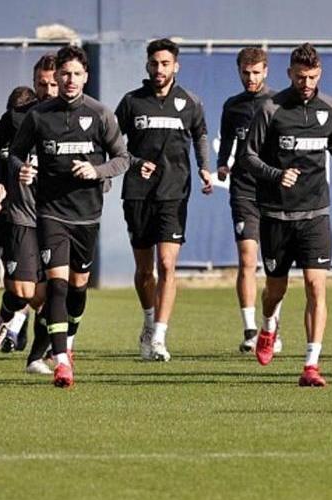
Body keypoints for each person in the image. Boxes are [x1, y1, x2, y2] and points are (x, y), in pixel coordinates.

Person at [8, 45, 131, 388]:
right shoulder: (39, 115)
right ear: (56, 77)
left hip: (87, 216)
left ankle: (68, 340)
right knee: (57, 286)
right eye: (64, 74)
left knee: (78, 289)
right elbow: (16, 154)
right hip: (51, 213)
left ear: (85, 77)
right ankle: (61, 362)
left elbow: (122, 158)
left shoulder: (100, 114)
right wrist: (22, 170)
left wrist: (97, 170)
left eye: (76, 74)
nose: (70, 80)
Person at [241, 43, 332, 387]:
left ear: (319, 73)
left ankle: (311, 364)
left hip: (316, 214)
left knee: (315, 287)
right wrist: (277, 175)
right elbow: (248, 157)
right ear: (289, 73)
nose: (307, 82)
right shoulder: (270, 109)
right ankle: (268, 325)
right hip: (277, 215)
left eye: (312, 76)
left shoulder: (331, 108)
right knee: (275, 291)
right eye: (300, 76)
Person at [116, 38, 212, 361]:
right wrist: (134, 163)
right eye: (155, 63)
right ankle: (147, 322)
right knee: (145, 272)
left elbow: (200, 134)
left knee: (167, 265)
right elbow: (113, 145)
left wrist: (205, 169)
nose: (160, 69)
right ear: (147, 65)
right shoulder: (132, 102)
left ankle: (158, 336)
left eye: (165, 63)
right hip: (138, 194)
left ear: (176, 66)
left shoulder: (190, 102)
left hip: (173, 193)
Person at [0, 54, 59, 374]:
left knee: (56, 292)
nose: (50, 89)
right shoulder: (20, 117)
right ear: (35, 82)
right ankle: (8, 311)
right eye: (43, 83)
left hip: (62, 214)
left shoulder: (84, 116)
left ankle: (45, 356)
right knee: (26, 291)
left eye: (54, 82)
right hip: (23, 214)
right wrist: (1, 181)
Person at [217, 46, 279, 353]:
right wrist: (222, 163)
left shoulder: (279, 103)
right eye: (245, 72)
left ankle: (272, 327)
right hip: (243, 188)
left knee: (274, 265)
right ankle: (250, 329)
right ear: (239, 71)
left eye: (256, 72)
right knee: (247, 260)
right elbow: (227, 140)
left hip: (274, 190)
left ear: (266, 71)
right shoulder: (233, 106)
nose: (250, 78)